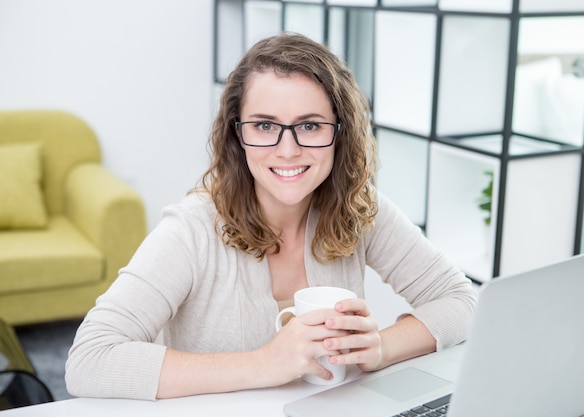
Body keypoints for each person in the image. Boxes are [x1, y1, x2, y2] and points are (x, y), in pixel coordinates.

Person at [65, 32, 476, 400]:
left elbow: (462, 301)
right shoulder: (191, 230)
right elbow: (89, 359)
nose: (288, 150)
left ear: (340, 132)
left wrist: (383, 347)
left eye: (310, 126)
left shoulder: (359, 206)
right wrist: (266, 363)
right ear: (236, 134)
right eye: (264, 126)